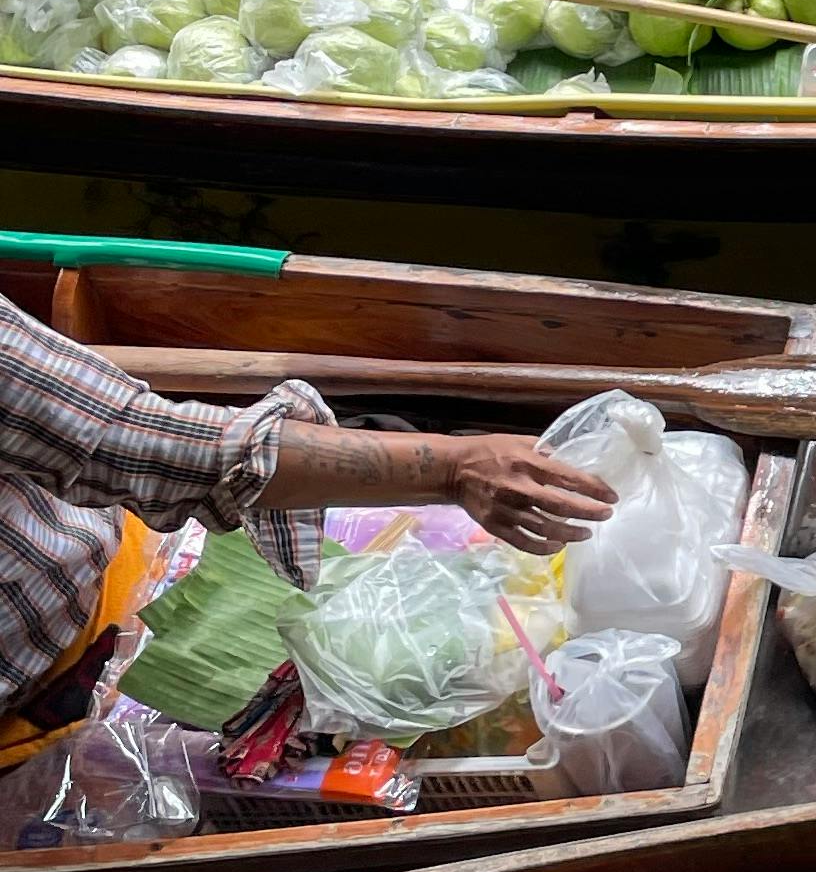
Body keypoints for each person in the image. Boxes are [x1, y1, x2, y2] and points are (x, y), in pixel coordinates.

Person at [0, 296, 616, 780]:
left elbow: (124, 437)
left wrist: (457, 469)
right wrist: (455, 471)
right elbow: (161, 447)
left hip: (128, 552)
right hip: (34, 703)